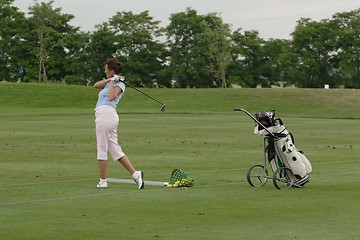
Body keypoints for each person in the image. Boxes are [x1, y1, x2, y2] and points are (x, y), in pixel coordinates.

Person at [93, 58, 144, 189]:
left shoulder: (120, 85)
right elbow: (96, 85)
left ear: (112, 71)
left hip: (107, 115)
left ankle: (102, 181)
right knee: (115, 150)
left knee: (102, 148)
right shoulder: (110, 81)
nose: (105, 72)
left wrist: (113, 82)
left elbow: (111, 97)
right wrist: (110, 80)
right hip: (105, 116)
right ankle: (135, 174)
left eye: (106, 70)